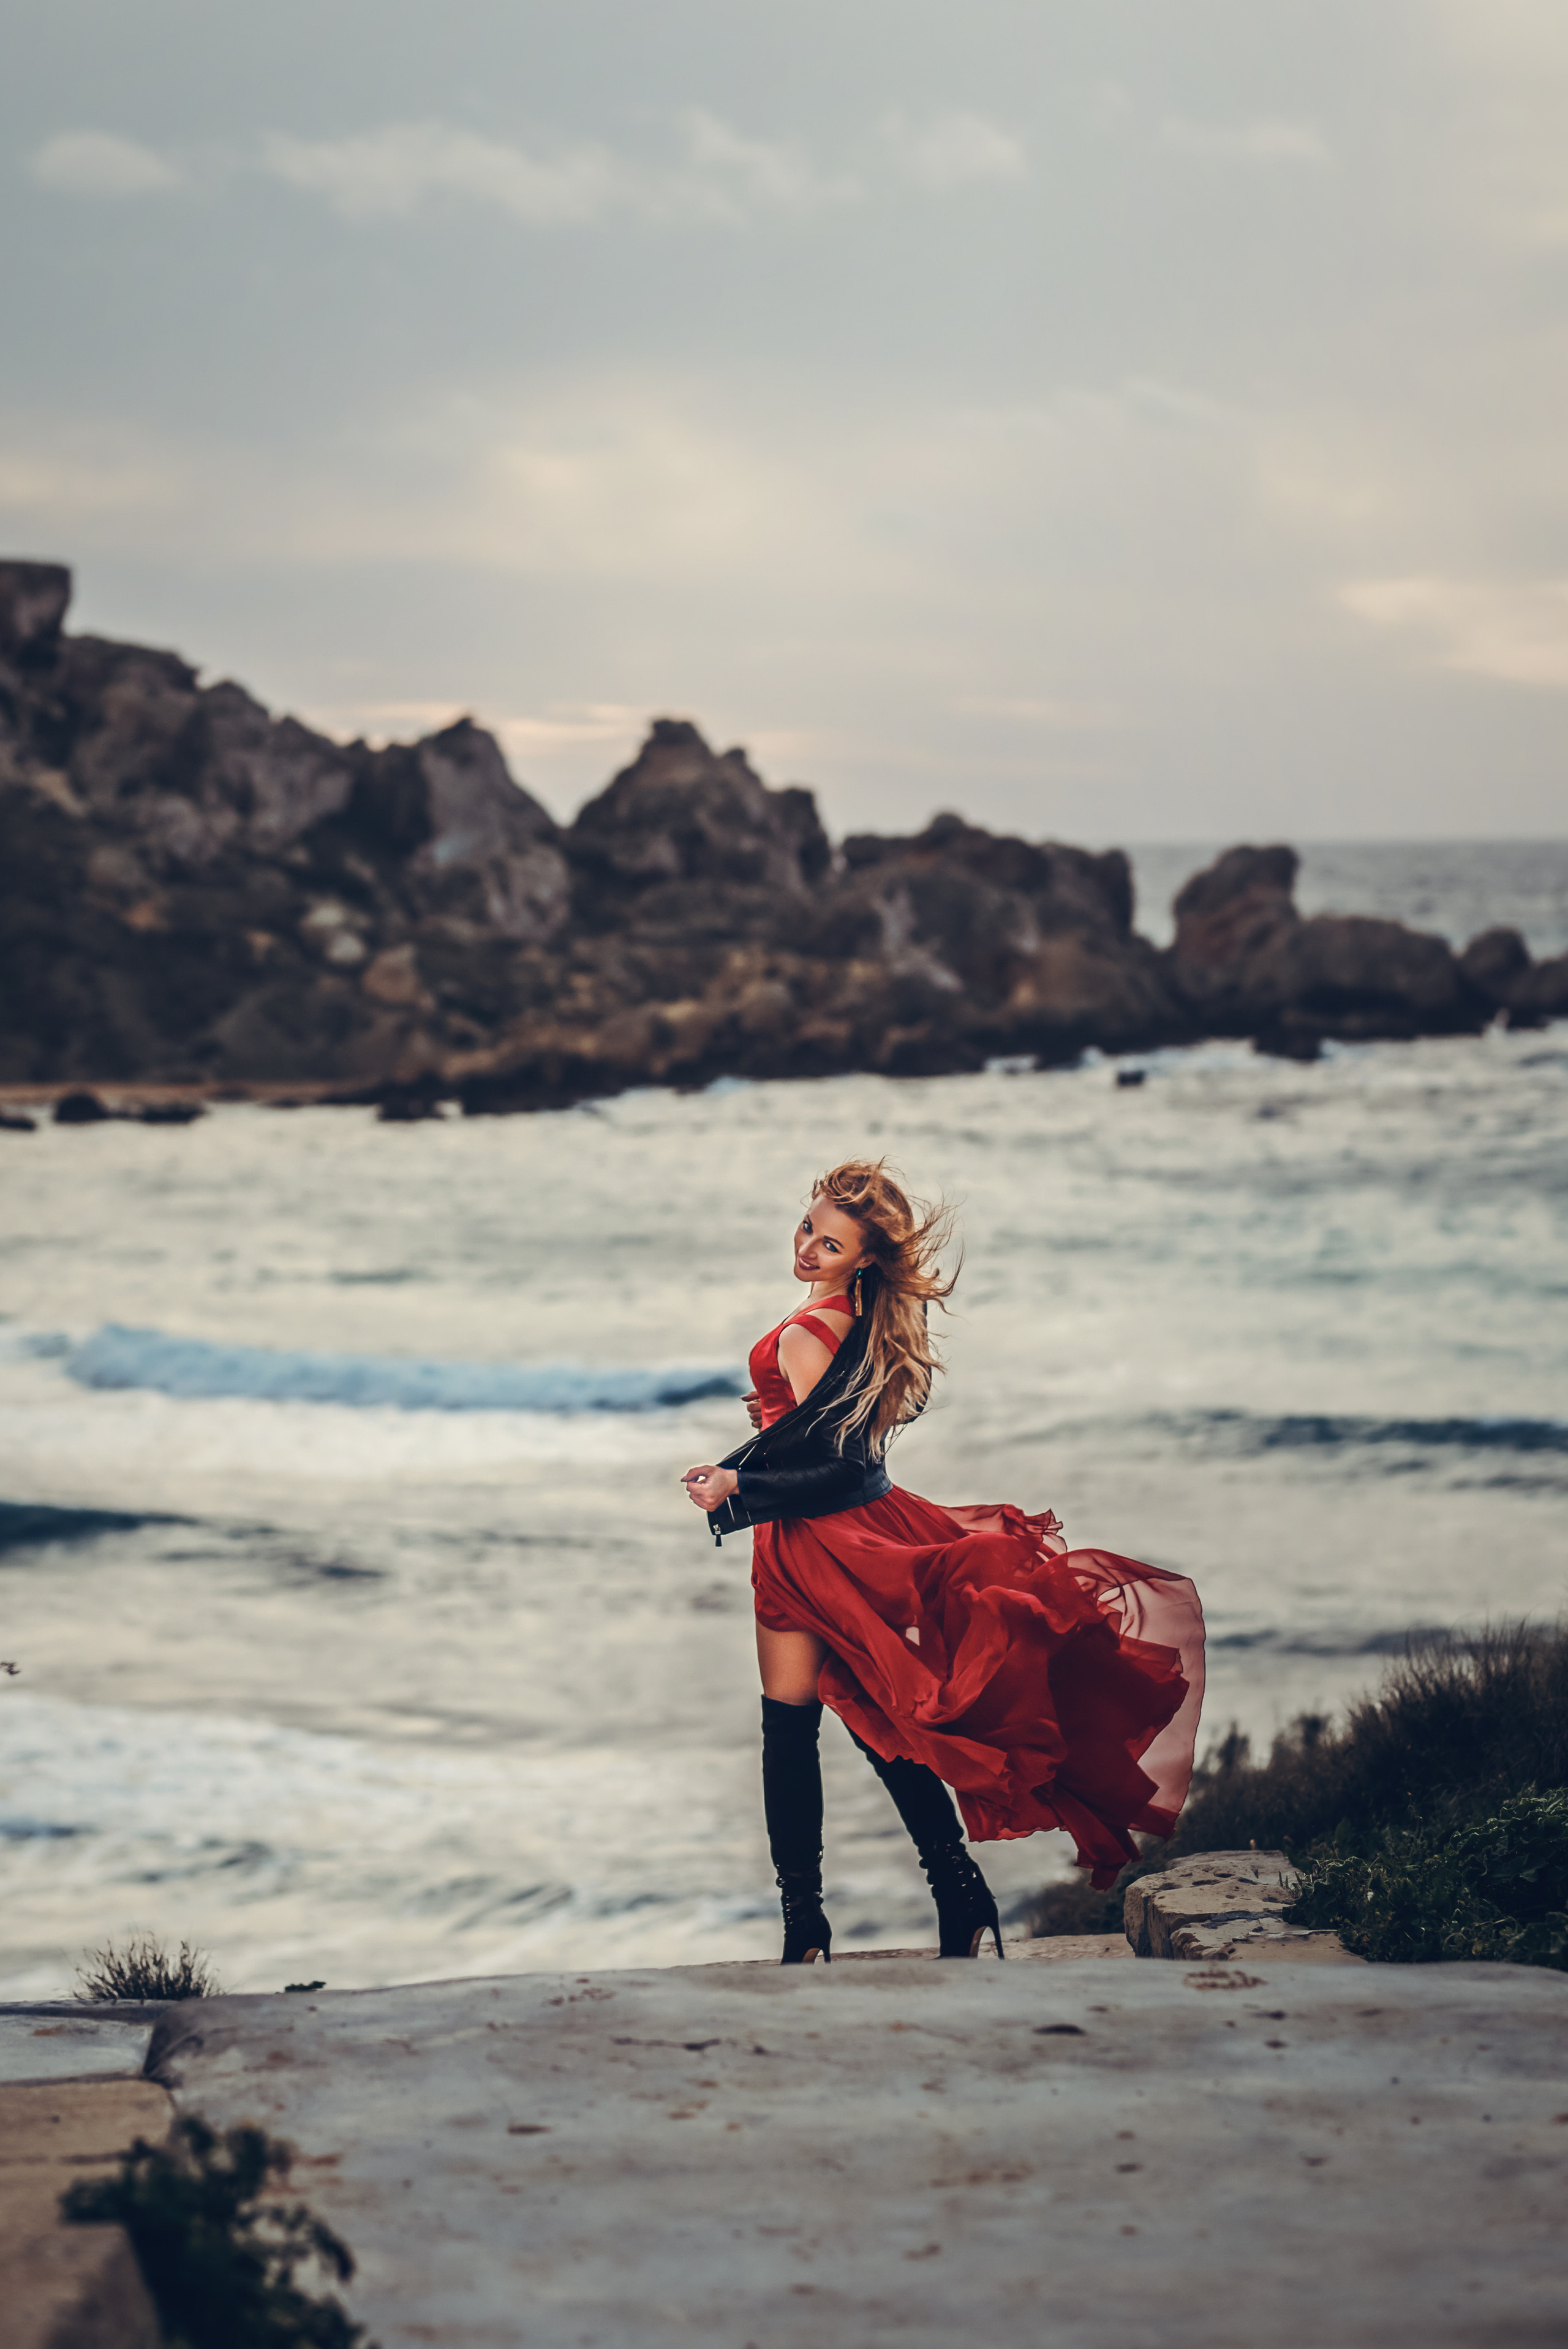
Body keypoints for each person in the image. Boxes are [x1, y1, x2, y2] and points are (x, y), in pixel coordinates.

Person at [682, 1158, 1205, 1965]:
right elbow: (827, 1435)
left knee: (792, 1733)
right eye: (808, 1229)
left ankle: (807, 1930)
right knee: (874, 1725)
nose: (808, 1247)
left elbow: (841, 1466)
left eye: (830, 1242)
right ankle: (958, 1898)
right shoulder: (847, 1320)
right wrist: (768, 1428)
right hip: (826, 1538)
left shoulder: (808, 1330)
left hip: (816, 1547)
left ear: (864, 1258)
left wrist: (735, 1482)